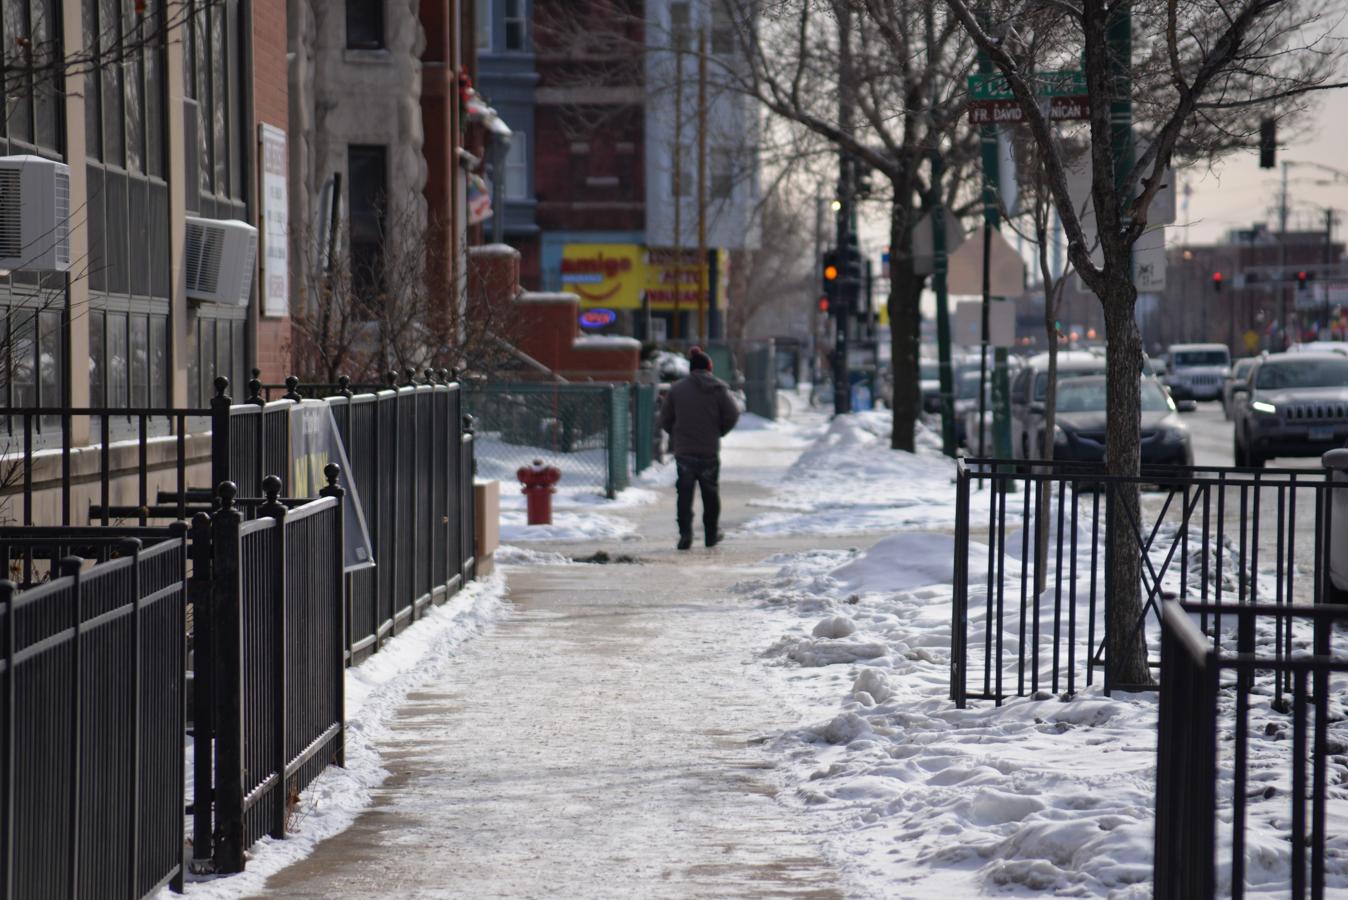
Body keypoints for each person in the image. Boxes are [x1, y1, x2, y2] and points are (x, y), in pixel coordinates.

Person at [658, 347, 740, 550]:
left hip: (684, 451)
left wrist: (676, 434)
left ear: (691, 368)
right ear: (709, 369)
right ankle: (711, 534)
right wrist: (719, 431)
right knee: (710, 493)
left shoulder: (676, 390)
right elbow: (733, 414)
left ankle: (685, 534)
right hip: (709, 450)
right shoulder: (719, 388)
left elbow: (665, 418)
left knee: (684, 493)